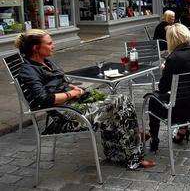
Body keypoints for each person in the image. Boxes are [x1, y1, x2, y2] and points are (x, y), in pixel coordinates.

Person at [15, 30, 154, 169]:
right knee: (119, 103)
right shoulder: (28, 71)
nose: (53, 45)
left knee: (119, 102)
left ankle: (118, 152)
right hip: (65, 115)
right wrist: (72, 94)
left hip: (73, 104)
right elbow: (44, 99)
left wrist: (71, 87)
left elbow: (60, 82)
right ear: (36, 48)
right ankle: (134, 149)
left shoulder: (47, 62)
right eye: (49, 43)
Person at [147, 24, 190, 151]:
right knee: (185, 95)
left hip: (178, 112)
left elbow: (163, 88)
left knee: (153, 100)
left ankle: (154, 139)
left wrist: (165, 70)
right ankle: (182, 130)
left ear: (171, 39)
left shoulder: (174, 58)